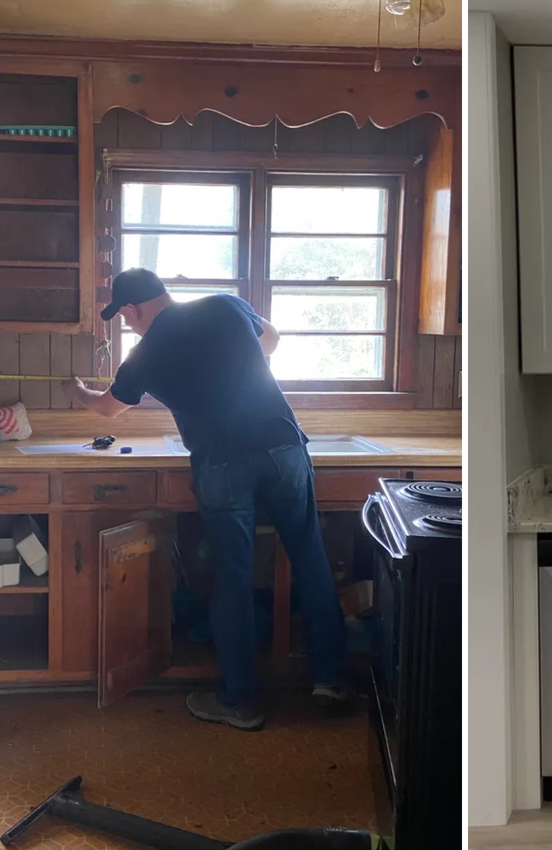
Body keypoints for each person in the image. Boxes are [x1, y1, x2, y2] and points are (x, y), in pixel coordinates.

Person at [65, 268, 348, 731]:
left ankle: (240, 702)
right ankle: (332, 680)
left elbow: (108, 408)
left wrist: (76, 391)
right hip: (283, 449)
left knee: (232, 577)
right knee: (311, 558)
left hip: (222, 464)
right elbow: (273, 339)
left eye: (125, 317)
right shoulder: (223, 304)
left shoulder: (145, 353)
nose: (129, 325)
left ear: (133, 310)